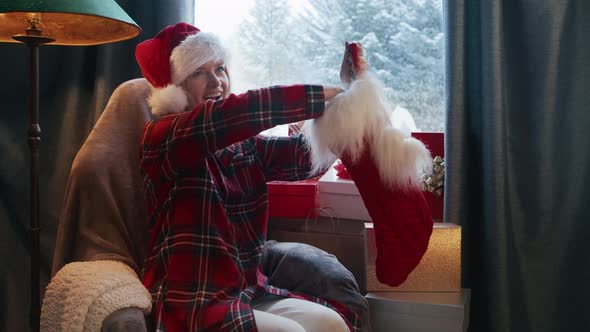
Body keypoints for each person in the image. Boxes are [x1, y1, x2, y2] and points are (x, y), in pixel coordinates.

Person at [135, 22, 367, 331]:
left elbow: (304, 158)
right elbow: (233, 115)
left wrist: (348, 103)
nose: (217, 82)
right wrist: (321, 95)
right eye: (199, 73)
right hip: (192, 302)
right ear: (175, 89)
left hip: (246, 291)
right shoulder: (163, 137)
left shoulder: (243, 146)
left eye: (220, 68)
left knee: (332, 323)